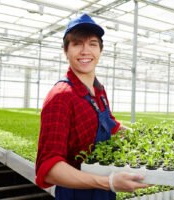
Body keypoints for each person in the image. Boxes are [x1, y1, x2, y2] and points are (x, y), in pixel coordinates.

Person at [35, 13, 150, 200]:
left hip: (105, 193)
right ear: (66, 51)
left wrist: (143, 139)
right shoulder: (61, 97)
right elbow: (49, 167)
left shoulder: (99, 91)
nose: (85, 51)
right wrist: (109, 182)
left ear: (100, 51)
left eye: (92, 44)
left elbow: (110, 126)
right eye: (77, 43)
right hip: (77, 195)